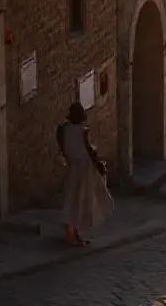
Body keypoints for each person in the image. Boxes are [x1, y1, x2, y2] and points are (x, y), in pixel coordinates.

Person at [55, 102, 114, 246]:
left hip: (72, 166)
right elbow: (89, 150)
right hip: (84, 168)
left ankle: (71, 232)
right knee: (82, 200)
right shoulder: (82, 130)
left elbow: (61, 144)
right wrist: (98, 164)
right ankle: (74, 233)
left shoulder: (63, 129)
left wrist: (66, 155)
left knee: (71, 198)